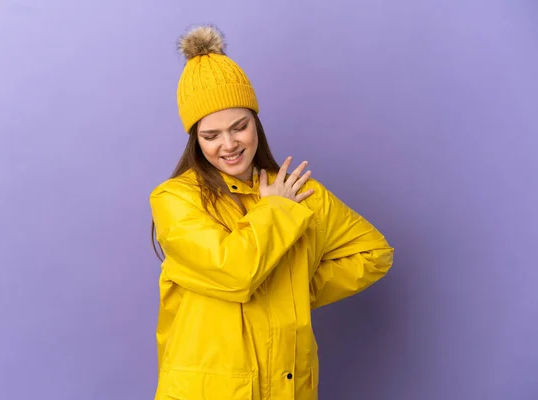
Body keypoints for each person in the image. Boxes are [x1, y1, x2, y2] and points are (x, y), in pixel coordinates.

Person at [149, 24, 394, 400]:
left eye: (239, 127)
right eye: (210, 135)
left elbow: (374, 253)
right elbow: (234, 272)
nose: (228, 145)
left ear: (256, 125)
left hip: (288, 385)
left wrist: (289, 289)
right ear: (195, 140)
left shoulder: (298, 190)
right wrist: (276, 209)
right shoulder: (175, 200)